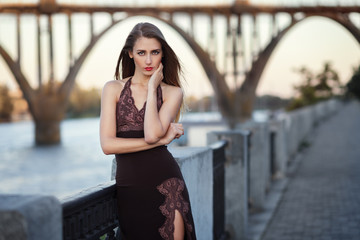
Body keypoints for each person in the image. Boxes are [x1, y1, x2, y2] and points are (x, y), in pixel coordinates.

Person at [100, 22, 197, 240]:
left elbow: (152, 132)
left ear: (163, 54)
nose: (149, 60)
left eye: (155, 52)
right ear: (130, 54)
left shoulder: (172, 92)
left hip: (167, 185)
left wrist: (153, 88)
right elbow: (108, 145)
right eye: (141, 53)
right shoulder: (113, 89)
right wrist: (161, 142)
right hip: (130, 191)